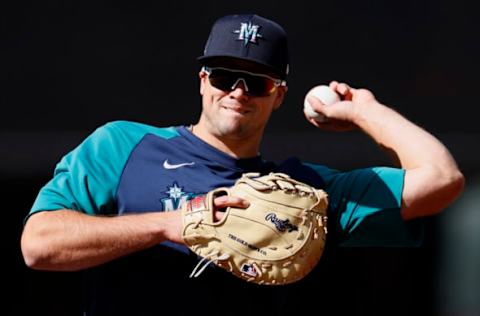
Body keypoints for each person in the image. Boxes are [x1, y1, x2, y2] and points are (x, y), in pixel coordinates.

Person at [20, 13, 464, 315]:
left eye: (256, 81)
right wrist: (170, 224)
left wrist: (364, 111)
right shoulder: (124, 145)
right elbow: (39, 245)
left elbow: (440, 180)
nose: (237, 91)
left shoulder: (304, 192)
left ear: (279, 95)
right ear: (202, 81)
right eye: (223, 75)